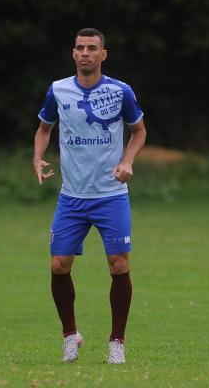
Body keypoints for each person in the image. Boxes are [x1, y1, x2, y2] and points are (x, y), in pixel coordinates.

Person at [33, 28, 146, 364]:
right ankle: (70, 335)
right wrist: (38, 157)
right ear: (73, 53)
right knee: (58, 265)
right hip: (72, 197)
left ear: (103, 54)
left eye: (92, 48)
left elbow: (139, 131)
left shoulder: (120, 91)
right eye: (80, 48)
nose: (85, 53)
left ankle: (117, 342)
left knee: (119, 265)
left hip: (111, 195)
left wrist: (127, 160)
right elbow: (44, 128)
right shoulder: (58, 90)